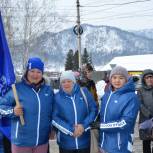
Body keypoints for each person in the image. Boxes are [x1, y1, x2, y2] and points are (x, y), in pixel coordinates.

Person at [0, 57, 54, 153]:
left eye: (38, 72)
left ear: (42, 74)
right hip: (21, 142)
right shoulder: (17, 89)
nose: (35, 75)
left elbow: (53, 112)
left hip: (42, 141)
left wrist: (52, 129)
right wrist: (12, 111)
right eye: (32, 71)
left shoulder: (48, 91)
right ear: (27, 72)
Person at [52, 70, 98, 153]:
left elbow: (94, 110)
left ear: (74, 82)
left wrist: (83, 126)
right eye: (63, 82)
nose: (66, 84)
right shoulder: (56, 97)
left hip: (84, 141)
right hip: (66, 144)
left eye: (69, 81)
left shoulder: (84, 92)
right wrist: (71, 130)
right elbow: (54, 118)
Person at [99, 66, 139, 153]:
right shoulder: (107, 95)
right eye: (114, 77)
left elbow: (125, 123)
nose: (117, 81)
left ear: (126, 79)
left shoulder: (131, 97)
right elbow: (103, 115)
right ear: (110, 79)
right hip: (104, 144)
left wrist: (101, 125)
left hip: (121, 146)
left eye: (121, 78)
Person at [138, 69, 153, 153]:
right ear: (144, 79)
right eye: (147, 77)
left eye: (151, 77)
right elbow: (139, 104)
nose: (149, 79)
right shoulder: (140, 90)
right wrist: (148, 114)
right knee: (146, 142)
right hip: (145, 120)